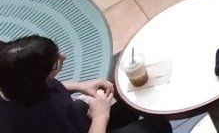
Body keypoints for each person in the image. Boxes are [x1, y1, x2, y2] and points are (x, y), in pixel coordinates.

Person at [0, 37, 167, 133]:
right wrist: (100, 117)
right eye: (55, 64)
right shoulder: (37, 122)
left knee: (124, 96)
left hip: (74, 118)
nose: (63, 57)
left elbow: (48, 85)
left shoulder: (11, 84)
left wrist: (79, 86)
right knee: (157, 127)